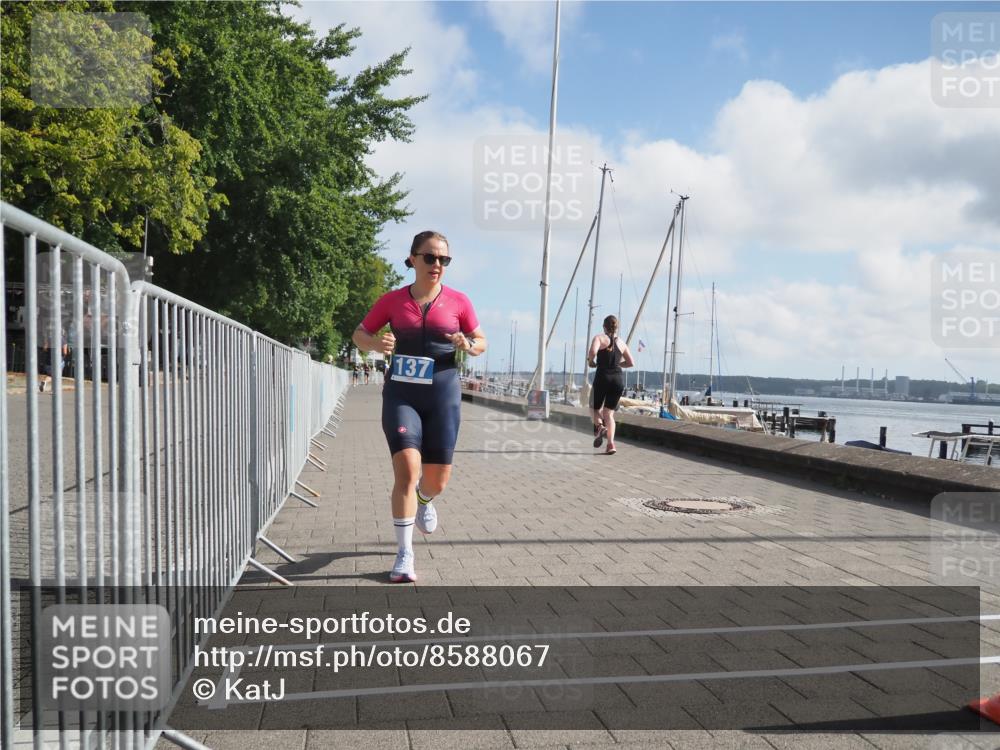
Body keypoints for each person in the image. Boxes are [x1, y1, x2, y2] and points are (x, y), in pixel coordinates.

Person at [352, 231, 487, 583]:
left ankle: (425, 500)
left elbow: (481, 342)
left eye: (444, 259)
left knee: (436, 481)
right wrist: (375, 343)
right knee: (407, 473)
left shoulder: (459, 301)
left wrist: (467, 343)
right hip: (402, 396)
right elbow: (359, 334)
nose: (437, 264)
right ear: (413, 259)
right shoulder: (392, 301)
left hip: (443, 396)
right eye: (430, 257)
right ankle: (404, 554)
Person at [587, 315, 634, 455]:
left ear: (604, 327)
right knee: (609, 413)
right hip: (617, 379)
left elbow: (592, 352)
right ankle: (610, 444)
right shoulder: (621, 342)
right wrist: (618, 364)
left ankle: (600, 427)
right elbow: (631, 363)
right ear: (616, 327)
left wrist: (591, 362)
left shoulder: (599, 338)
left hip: (603, 377)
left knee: (593, 408)